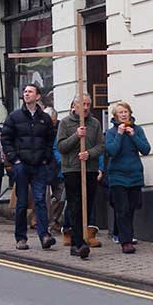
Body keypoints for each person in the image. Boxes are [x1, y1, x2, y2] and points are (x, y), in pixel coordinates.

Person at [1, 84, 57, 251]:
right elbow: (6, 139)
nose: (26, 94)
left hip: (39, 165)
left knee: (40, 201)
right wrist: (14, 159)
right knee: (22, 203)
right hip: (22, 165)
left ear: (38, 96)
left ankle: (44, 235)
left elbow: (49, 140)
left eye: (30, 92)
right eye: (25, 92)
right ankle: (21, 238)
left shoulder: (45, 119)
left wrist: (46, 158)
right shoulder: (14, 117)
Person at [57, 94, 105, 259]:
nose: (85, 107)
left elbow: (101, 145)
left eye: (87, 104)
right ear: (75, 105)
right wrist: (76, 136)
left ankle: (83, 238)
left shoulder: (95, 123)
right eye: (82, 104)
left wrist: (89, 154)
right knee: (75, 205)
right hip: (71, 169)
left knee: (88, 204)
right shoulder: (65, 123)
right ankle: (78, 243)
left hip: (89, 169)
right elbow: (61, 146)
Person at [105, 101, 151, 254]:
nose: (124, 115)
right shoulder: (111, 133)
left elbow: (145, 149)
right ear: (115, 116)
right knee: (122, 209)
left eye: (126, 112)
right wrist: (119, 134)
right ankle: (126, 241)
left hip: (135, 174)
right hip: (117, 175)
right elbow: (112, 151)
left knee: (131, 208)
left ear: (130, 113)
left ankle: (125, 235)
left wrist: (133, 135)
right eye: (120, 113)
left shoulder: (137, 130)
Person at [45, 107, 66, 236]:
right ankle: (47, 224)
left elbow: (57, 148)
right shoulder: (39, 128)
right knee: (44, 199)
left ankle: (55, 222)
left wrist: (61, 162)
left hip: (58, 169)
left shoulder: (61, 127)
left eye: (52, 120)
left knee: (60, 198)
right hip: (45, 167)